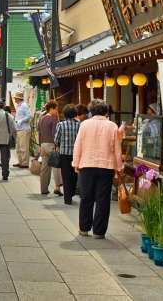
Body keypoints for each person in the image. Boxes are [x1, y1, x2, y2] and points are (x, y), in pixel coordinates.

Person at [72, 99, 123, 239]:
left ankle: (84, 228)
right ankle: (99, 231)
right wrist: (119, 167)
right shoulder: (112, 126)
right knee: (103, 199)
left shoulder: (84, 124)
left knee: (86, 197)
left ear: (91, 111)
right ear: (106, 111)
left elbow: (78, 145)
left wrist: (76, 163)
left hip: (87, 165)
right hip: (106, 167)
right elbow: (117, 149)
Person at [54, 104, 87, 205]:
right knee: (74, 175)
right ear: (75, 114)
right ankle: (71, 193)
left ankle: (67, 197)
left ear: (65, 114)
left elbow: (56, 140)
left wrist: (61, 144)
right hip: (76, 154)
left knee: (66, 175)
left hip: (64, 154)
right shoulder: (79, 125)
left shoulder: (60, 125)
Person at [37, 100, 61, 195]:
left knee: (44, 168)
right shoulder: (53, 119)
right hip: (51, 144)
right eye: (56, 109)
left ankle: (44, 189)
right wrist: (57, 145)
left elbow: (39, 131)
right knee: (56, 165)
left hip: (42, 144)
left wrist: (40, 144)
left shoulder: (41, 118)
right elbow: (54, 134)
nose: (57, 111)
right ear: (51, 108)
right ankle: (58, 187)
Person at [13, 92, 31, 168]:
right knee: (19, 147)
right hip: (19, 129)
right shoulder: (19, 106)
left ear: (18, 98)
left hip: (24, 129)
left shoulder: (24, 105)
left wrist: (21, 121)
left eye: (15, 98)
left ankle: (25, 163)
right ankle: (20, 161)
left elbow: (29, 116)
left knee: (24, 147)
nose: (14, 99)